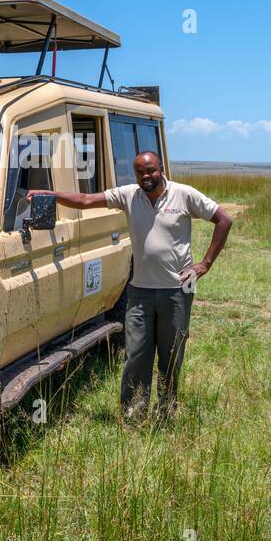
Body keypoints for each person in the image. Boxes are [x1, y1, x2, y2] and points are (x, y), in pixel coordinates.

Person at [29, 150, 232, 421]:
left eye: (150, 170)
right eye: (140, 172)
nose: (146, 176)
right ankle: (133, 414)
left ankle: (165, 413)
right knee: (136, 354)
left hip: (179, 288)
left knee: (171, 355)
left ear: (161, 169)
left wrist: (204, 265)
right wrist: (53, 195)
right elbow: (88, 199)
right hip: (139, 289)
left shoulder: (184, 194)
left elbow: (224, 220)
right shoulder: (129, 195)